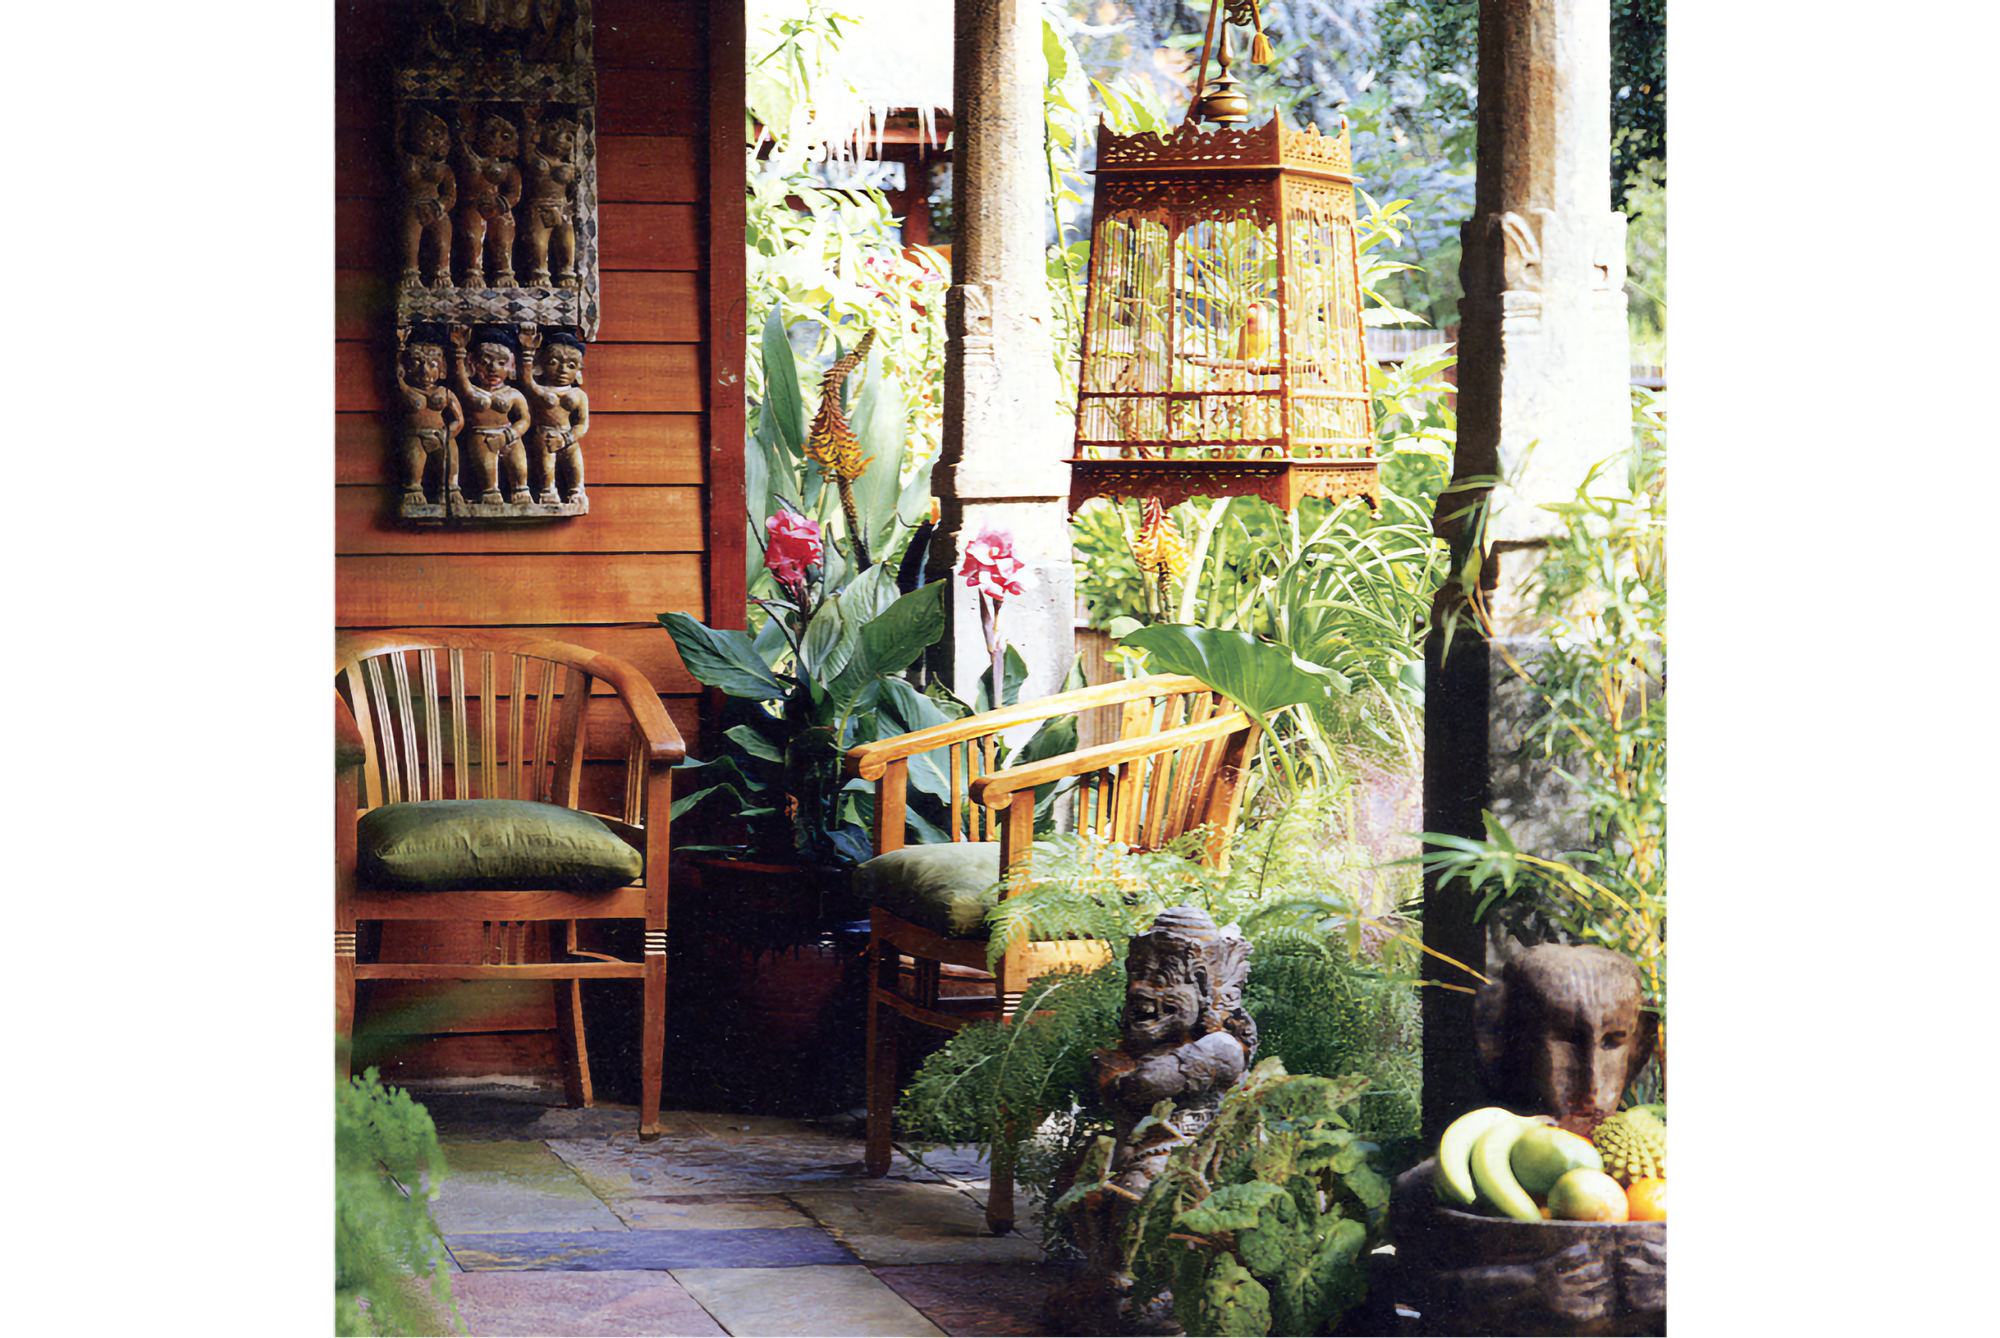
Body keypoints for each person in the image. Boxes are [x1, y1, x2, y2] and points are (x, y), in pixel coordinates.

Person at [449, 325, 532, 504]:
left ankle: (521, 490)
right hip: (482, 435)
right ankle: (490, 492)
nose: (493, 368)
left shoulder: (513, 394)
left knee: (519, 468)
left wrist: (509, 435)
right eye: (485, 363)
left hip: (509, 437)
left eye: (501, 363)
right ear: (473, 365)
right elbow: (462, 383)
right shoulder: (472, 392)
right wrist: (459, 351)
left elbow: (524, 419)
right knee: (487, 472)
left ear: (511, 367)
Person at [516, 325, 589, 505]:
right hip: (545, 435)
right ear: (541, 365)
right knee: (546, 465)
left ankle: (577, 491)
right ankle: (547, 491)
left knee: (575, 465)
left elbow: (582, 424)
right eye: (554, 362)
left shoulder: (578, 395)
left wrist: (567, 439)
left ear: (578, 370)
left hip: (567, 437)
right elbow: (526, 381)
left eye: (571, 365)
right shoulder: (540, 391)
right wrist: (527, 352)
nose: (563, 370)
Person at [394, 325, 463, 506]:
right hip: (416, 435)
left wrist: (443, 436)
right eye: (417, 363)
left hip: (441, 436)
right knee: (414, 463)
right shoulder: (406, 390)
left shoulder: (444, 392)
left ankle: (450, 489)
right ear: (406, 366)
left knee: (450, 461)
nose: (425, 370)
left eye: (432, 364)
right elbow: (395, 376)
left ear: (442, 368)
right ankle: (413, 489)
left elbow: (459, 419)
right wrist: (400, 347)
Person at [455, 108, 522, 290]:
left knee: (503, 232)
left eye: (502, 136)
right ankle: (473, 271)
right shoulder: (470, 157)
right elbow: (460, 141)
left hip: (497, 206)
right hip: (473, 204)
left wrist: (501, 204)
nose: (494, 138)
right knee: (472, 236)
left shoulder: (507, 167)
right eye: (490, 132)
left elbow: (515, 193)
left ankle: (504, 271)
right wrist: (464, 124)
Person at [520, 104, 580, 289]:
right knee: (538, 242)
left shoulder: (571, 166)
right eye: (554, 129)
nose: (561, 138)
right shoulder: (535, 157)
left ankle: (566, 274)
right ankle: (539, 273)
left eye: (569, 137)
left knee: (566, 242)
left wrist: (566, 211)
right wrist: (530, 123)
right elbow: (524, 147)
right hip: (538, 207)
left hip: (562, 210)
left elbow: (575, 196)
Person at [399, 106, 457, 289]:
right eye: (423, 131)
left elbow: (450, 195)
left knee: (442, 242)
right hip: (412, 205)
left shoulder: (443, 168)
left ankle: (442, 273)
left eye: (436, 135)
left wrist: (439, 206)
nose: (429, 139)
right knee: (410, 240)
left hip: (436, 208)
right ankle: (411, 273)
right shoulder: (406, 159)